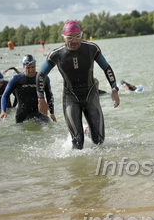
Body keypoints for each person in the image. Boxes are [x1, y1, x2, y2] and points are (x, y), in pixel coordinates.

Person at [36, 20, 120, 150]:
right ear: (63, 37)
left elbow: (107, 68)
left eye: (77, 36)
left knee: (100, 141)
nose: (74, 41)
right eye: (70, 37)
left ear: (81, 35)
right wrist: (41, 98)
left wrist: (114, 89)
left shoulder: (92, 49)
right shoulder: (56, 54)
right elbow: (41, 75)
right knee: (77, 143)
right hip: (70, 97)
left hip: (91, 94)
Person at [0, 55, 56, 123]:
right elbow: (5, 95)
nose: (31, 70)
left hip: (39, 114)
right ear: (23, 67)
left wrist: (52, 112)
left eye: (33, 67)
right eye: (28, 68)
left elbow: (49, 96)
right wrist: (3, 111)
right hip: (22, 114)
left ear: (35, 66)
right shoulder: (16, 79)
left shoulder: (43, 78)